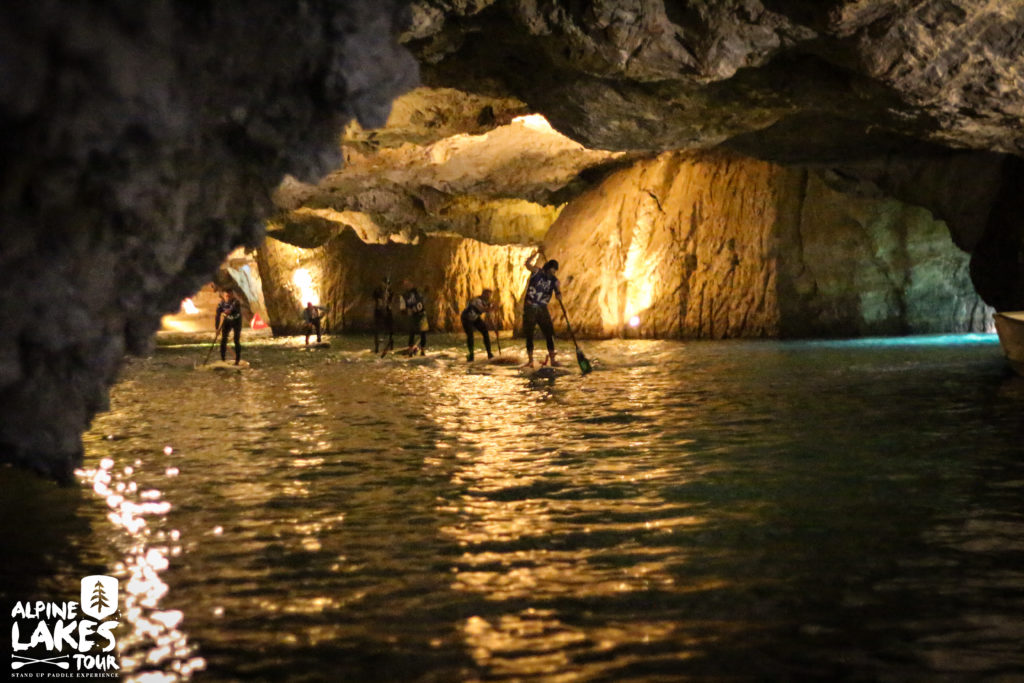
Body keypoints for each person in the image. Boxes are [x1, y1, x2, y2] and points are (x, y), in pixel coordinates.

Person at [522, 250, 561, 368]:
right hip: (530, 307)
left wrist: (558, 293)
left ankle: (553, 359)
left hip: (542, 308)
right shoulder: (537, 272)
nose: (553, 273)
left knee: (549, 333)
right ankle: (530, 360)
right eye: (552, 270)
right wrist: (536, 253)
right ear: (547, 268)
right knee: (529, 333)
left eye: (554, 271)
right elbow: (527, 264)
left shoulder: (554, 281)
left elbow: (558, 293)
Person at [461, 289, 494, 362]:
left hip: (475, 318)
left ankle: (489, 353)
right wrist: (492, 308)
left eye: (490, 295)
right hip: (466, 318)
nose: (488, 297)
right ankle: (471, 355)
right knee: (470, 335)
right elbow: (483, 309)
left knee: (485, 332)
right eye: (487, 295)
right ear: (483, 294)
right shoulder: (476, 300)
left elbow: (489, 312)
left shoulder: (486, 302)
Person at [398, 279, 427, 355]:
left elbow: (423, 299)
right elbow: (402, 309)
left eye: (409, 283)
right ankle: (410, 350)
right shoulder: (404, 296)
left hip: (422, 314)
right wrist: (408, 311)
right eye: (405, 284)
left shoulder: (419, 292)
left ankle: (423, 350)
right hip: (413, 316)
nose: (407, 286)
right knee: (412, 332)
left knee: (423, 332)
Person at [215, 289, 243, 364]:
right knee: (223, 339)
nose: (228, 298)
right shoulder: (221, 304)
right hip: (227, 321)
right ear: (224, 296)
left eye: (230, 296)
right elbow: (217, 316)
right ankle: (223, 359)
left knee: (236, 340)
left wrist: (230, 311)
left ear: (232, 295)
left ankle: (237, 360)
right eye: (227, 296)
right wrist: (217, 328)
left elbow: (234, 309)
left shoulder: (236, 302)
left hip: (236, 321)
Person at [372, 277, 394, 354]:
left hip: (387, 310)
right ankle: (377, 347)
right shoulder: (377, 291)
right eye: (385, 283)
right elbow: (376, 299)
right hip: (379, 311)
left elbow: (391, 301)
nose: (386, 285)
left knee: (391, 328)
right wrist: (380, 303)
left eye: (388, 284)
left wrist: (388, 304)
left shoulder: (390, 291)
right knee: (377, 328)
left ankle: (390, 345)